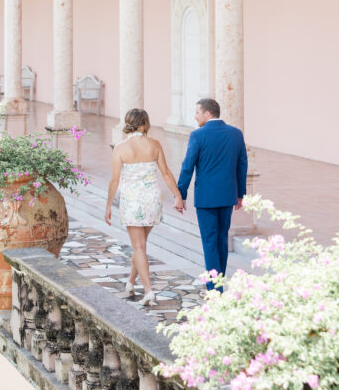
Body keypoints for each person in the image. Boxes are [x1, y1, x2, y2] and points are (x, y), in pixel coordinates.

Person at [105, 108, 184, 307]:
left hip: (132, 201)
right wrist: (177, 195)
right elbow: (166, 173)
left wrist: (108, 205)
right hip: (151, 200)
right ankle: (131, 282)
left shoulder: (121, 148)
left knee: (138, 246)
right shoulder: (154, 144)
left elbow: (114, 181)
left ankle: (148, 290)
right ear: (144, 124)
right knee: (140, 245)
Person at [177, 98, 248, 292]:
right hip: (227, 196)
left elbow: (187, 166)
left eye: (197, 112)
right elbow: (242, 165)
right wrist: (241, 193)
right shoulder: (236, 134)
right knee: (221, 240)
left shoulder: (197, 135)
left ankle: (214, 289)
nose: (195, 116)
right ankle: (218, 284)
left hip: (206, 199)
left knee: (210, 242)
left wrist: (180, 194)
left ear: (208, 114)